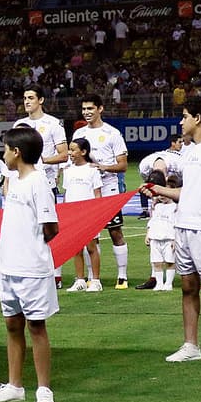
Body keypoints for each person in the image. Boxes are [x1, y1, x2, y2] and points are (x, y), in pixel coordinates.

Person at [142, 97, 201, 365]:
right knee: (187, 287)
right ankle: (190, 345)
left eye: (184, 116)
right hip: (183, 227)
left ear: (197, 118)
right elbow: (189, 192)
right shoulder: (189, 151)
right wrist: (159, 190)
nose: (180, 121)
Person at [0, 126, 59, 402]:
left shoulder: (38, 182)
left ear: (17, 152)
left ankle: (44, 389)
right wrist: (4, 260)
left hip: (32, 269)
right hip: (9, 269)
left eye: (5, 149)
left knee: (36, 326)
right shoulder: (13, 182)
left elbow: (51, 227)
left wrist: (29, 250)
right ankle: (14, 386)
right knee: (12, 325)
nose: (3, 154)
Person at [72, 95, 131, 289]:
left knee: (115, 232)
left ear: (100, 109)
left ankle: (122, 275)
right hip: (87, 190)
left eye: (90, 108)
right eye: (84, 109)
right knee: (90, 235)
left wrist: (103, 167)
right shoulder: (79, 133)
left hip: (109, 189)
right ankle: (91, 277)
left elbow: (123, 165)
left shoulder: (112, 133)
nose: (86, 112)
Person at [15, 87, 67, 286]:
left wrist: (43, 161)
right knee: (26, 229)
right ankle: (30, 270)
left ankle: (56, 275)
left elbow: (64, 154)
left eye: (31, 98)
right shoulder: (20, 124)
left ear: (41, 100)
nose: (27, 101)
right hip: (23, 185)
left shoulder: (53, 124)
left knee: (48, 228)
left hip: (46, 184)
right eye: (24, 98)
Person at [60, 137, 103, 292]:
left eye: (73, 150)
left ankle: (95, 280)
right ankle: (80, 280)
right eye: (69, 150)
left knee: (91, 247)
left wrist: (97, 214)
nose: (70, 153)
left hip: (89, 214)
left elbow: (97, 193)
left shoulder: (92, 170)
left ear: (83, 152)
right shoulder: (68, 170)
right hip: (73, 215)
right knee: (76, 249)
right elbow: (67, 194)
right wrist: (66, 212)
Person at [143, 170, 178, 291]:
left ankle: (168, 283)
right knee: (156, 262)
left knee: (170, 262)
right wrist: (148, 235)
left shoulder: (175, 207)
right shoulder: (156, 206)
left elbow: (176, 224)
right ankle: (159, 283)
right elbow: (152, 222)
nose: (162, 196)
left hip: (168, 238)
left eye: (165, 193)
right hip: (155, 238)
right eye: (160, 194)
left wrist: (175, 239)